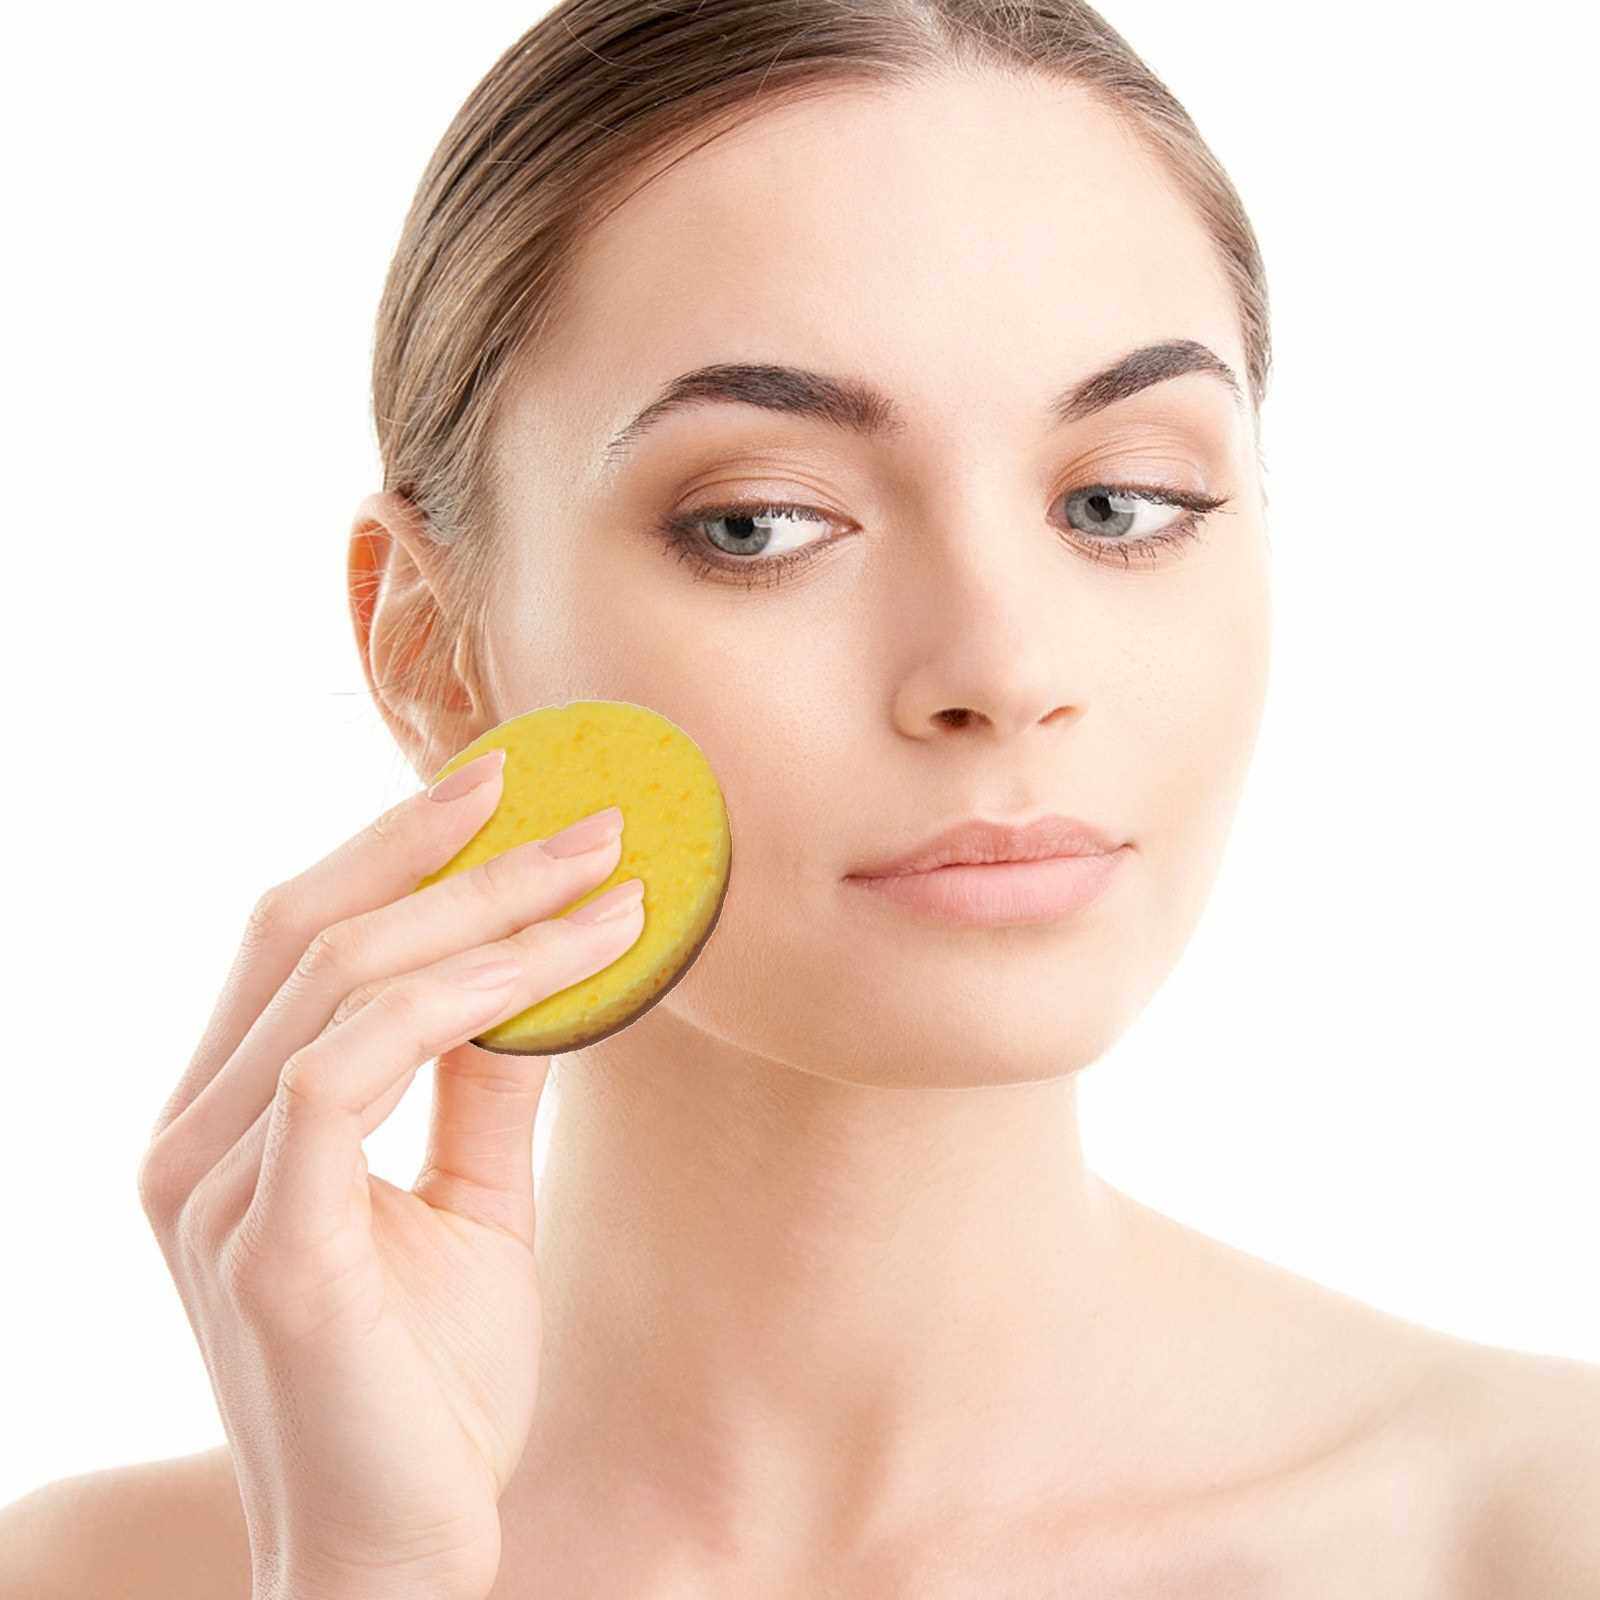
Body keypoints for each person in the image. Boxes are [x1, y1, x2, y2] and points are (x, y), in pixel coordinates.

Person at [5, 2, 1597, 1595]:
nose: (1001, 667)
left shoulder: (1533, 1533)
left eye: (1120, 504)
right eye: (760, 523)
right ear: (432, 651)